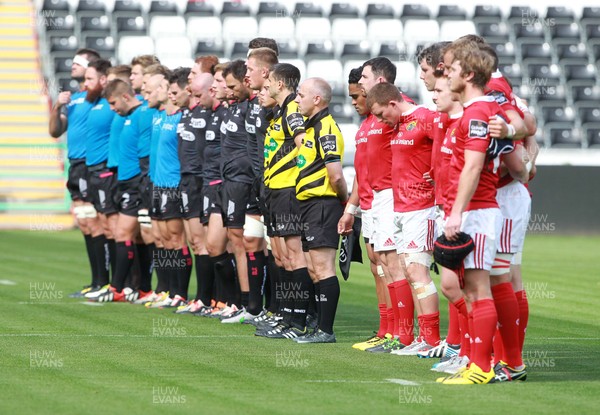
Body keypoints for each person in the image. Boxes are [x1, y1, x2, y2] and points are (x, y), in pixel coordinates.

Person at [437, 39, 512, 384]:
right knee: (470, 289)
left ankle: (482, 367)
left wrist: (457, 213)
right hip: (473, 210)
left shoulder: (479, 112)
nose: (445, 73)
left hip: (478, 211)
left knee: (479, 289)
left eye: (451, 69)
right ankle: (476, 363)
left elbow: (473, 166)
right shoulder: (475, 112)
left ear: (467, 74)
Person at [366, 83, 441, 356]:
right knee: (409, 271)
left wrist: (438, 170)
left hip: (422, 206)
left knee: (418, 270)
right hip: (401, 207)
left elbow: (449, 145)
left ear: (393, 104)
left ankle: (431, 339)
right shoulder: (398, 125)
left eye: (381, 113)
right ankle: (423, 337)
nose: (380, 120)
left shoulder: (425, 118)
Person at [357, 57, 415, 353]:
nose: (360, 82)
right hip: (374, 199)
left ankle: (404, 334)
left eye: (365, 77)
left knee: (395, 264)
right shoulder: (371, 119)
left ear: (380, 80)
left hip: (394, 195)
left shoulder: (402, 109)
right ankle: (391, 331)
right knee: (382, 264)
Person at [338, 67, 391, 351]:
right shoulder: (366, 124)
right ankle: (385, 329)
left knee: (392, 266)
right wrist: (352, 208)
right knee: (376, 264)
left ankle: (399, 331)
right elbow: (361, 170)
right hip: (369, 202)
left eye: (358, 94)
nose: (354, 102)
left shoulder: (391, 117)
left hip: (390, 200)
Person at [257, 63, 311, 339]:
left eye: (269, 83)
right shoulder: (280, 112)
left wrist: (301, 180)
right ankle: (287, 316)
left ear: (280, 84)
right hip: (275, 191)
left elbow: (303, 145)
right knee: (283, 257)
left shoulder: (291, 109)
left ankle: (297, 318)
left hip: (289, 190)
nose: (264, 88)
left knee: (294, 257)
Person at [293, 78, 348, 343]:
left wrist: (345, 202)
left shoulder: (326, 129)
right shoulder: (311, 126)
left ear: (317, 99)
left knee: (323, 268)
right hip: (309, 204)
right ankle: (318, 327)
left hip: (322, 204)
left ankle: (326, 330)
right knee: (314, 269)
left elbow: (335, 176)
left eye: (300, 95)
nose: (296, 99)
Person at [49, 48, 101, 298]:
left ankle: (104, 282)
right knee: (85, 223)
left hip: (93, 165)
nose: (72, 66)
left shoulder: (99, 99)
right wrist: (57, 105)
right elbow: (54, 131)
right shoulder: (74, 99)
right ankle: (96, 281)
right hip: (76, 165)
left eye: (79, 62)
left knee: (96, 223)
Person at [81, 58, 115, 296]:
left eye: (89, 79)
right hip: (89, 170)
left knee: (108, 227)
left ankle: (117, 284)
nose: (85, 84)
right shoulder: (91, 104)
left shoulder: (110, 105)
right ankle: (99, 282)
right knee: (94, 225)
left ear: (104, 80)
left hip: (105, 171)